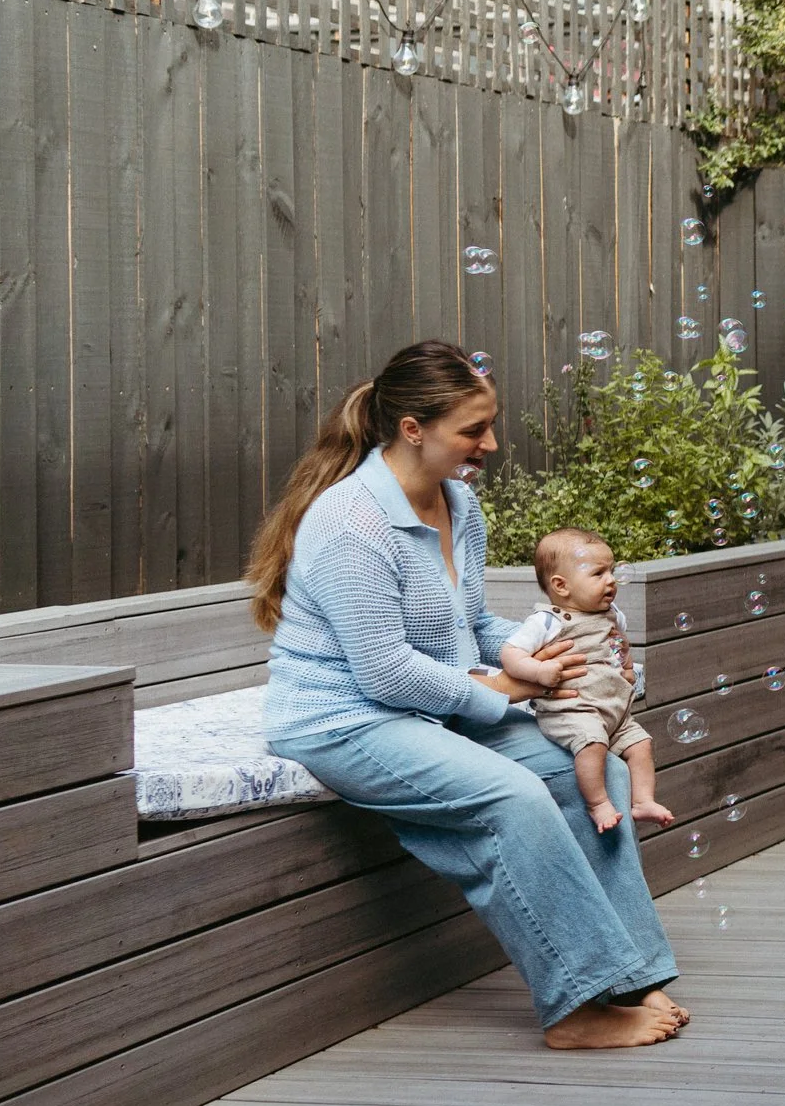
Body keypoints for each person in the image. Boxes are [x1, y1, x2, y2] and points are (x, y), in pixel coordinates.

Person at [248, 339, 689, 1052]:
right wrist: (510, 687)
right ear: (413, 429)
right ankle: (576, 1005)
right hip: (343, 719)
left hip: (433, 709)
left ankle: (629, 975)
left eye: (491, 423)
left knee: (598, 772)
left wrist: (548, 651)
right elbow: (384, 672)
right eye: (472, 430)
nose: (490, 442)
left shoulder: (459, 503)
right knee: (513, 794)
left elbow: (472, 622)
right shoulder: (349, 522)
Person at [504, 526, 673, 833]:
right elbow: (511, 653)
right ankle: (597, 804)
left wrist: (626, 668)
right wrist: (539, 672)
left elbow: (620, 645)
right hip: (573, 710)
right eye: (598, 574)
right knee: (592, 744)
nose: (610, 580)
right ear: (561, 585)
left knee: (642, 744)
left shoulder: (613, 614)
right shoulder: (546, 621)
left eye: (611, 570)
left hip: (615, 710)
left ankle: (643, 801)